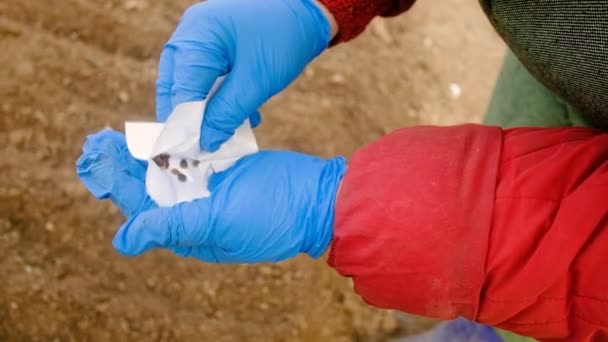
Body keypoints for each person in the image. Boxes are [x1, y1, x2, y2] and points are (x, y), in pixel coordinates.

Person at [76, 0, 608, 341]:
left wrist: (354, 214)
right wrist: (323, 6)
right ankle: (476, 329)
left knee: (533, 292)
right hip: (559, 74)